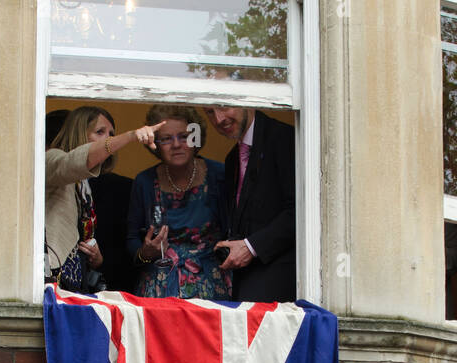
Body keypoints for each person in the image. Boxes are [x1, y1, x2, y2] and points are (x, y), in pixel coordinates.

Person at [46, 106, 163, 291]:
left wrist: (97, 258)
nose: (108, 139)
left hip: (75, 282)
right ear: (79, 134)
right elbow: (70, 163)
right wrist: (131, 136)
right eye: (100, 132)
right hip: (52, 280)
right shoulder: (50, 159)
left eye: (111, 134)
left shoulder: (85, 183)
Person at [127, 105, 229, 300]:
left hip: (212, 286)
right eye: (166, 139)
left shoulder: (220, 175)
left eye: (184, 136)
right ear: (155, 143)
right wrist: (145, 253)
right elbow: (131, 239)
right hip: (159, 289)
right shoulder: (144, 181)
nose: (176, 144)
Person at [207, 106, 296, 303]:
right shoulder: (232, 158)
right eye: (209, 112)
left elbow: (301, 210)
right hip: (244, 283)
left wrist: (251, 247)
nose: (219, 119)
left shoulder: (286, 137)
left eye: (223, 106)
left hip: (281, 286)